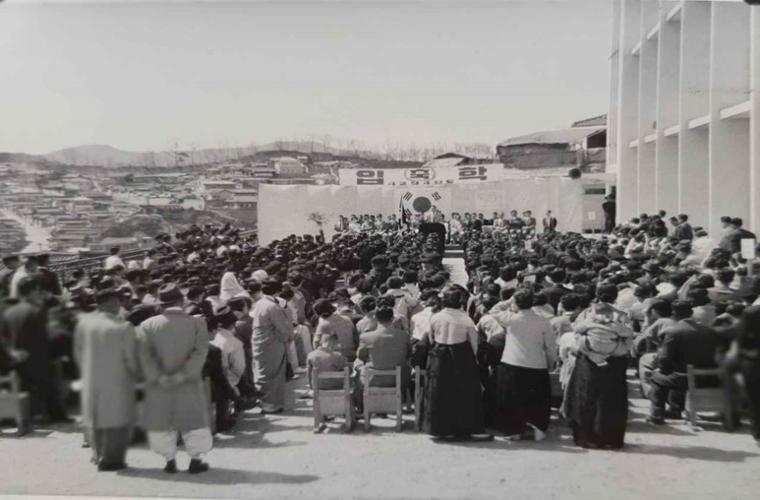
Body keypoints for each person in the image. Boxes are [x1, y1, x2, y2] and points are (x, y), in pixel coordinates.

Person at [137, 284, 212, 474]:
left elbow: (145, 356)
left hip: (159, 384)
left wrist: (159, 377)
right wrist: (182, 374)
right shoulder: (197, 323)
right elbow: (200, 353)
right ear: (181, 301)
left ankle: (169, 460)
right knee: (193, 420)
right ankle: (195, 460)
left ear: (162, 304)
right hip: (188, 381)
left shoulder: (147, 325)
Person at [73, 286, 139, 471]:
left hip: (90, 377)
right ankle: (110, 459)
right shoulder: (123, 326)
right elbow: (130, 358)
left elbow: (78, 353)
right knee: (116, 420)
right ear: (111, 302)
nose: (120, 304)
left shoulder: (83, 324)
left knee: (95, 417)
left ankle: (97, 454)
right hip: (117, 379)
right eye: (118, 300)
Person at [563, 283, 632, 449]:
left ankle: (586, 438)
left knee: (586, 396)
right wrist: (614, 350)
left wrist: (590, 351)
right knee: (612, 399)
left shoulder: (587, 313)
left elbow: (576, 334)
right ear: (615, 296)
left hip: (588, 360)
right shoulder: (622, 315)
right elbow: (628, 338)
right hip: (614, 361)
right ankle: (610, 438)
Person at [419, 288, 487, 439]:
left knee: (438, 391)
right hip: (460, 355)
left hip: (439, 354)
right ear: (460, 302)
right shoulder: (466, 319)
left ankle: (438, 429)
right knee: (462, 392)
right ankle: (462, 428)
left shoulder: (436, 317)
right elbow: (474, 345)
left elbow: (431, 338)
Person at [2, 276, 69, 423]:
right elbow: (42, 339)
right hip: (36, 360)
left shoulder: (9, 312)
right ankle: (57, 416)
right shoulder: (37, 310)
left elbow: (5, 338)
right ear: (34, 291)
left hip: (16, 362)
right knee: (53, 373)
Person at [492, 289, 557, 440]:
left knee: (513, 400)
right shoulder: (543, 321)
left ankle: (514, 431)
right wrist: (551, 362)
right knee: (537, 400)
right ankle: (539, 429)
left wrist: (508, 301)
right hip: (537, 363)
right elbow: (551, 346)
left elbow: (494, 309)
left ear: (516, 303)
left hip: (513, 362)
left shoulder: (510, 318)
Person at [647, 300, 719, 425]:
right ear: (691, 313)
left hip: (685, 378)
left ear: (674, 313)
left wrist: (662, 370)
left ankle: (657, 414)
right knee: (675, 373)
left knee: (657, 377)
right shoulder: (709, 330)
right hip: (709, 377)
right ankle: (675, 409)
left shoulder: (673, 331)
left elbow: (665, 358)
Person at [355, 304, 411, 408]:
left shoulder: (366, 337)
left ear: (375, 318)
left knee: (357, 365)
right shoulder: (403, 335)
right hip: (399, 379)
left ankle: (360, 407)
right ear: (392, 318)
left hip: (373, 378)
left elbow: (360, 356)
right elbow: (408, 354)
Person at [251, 278, 293, 414]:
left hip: (260, 340)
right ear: (278, 291)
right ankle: (271, 405)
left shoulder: (259, 303)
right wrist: (289, 335)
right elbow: (282, 327)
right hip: (271, 341)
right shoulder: (272, 306)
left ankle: (265, 403)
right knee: (274, 373)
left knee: (263, 371)